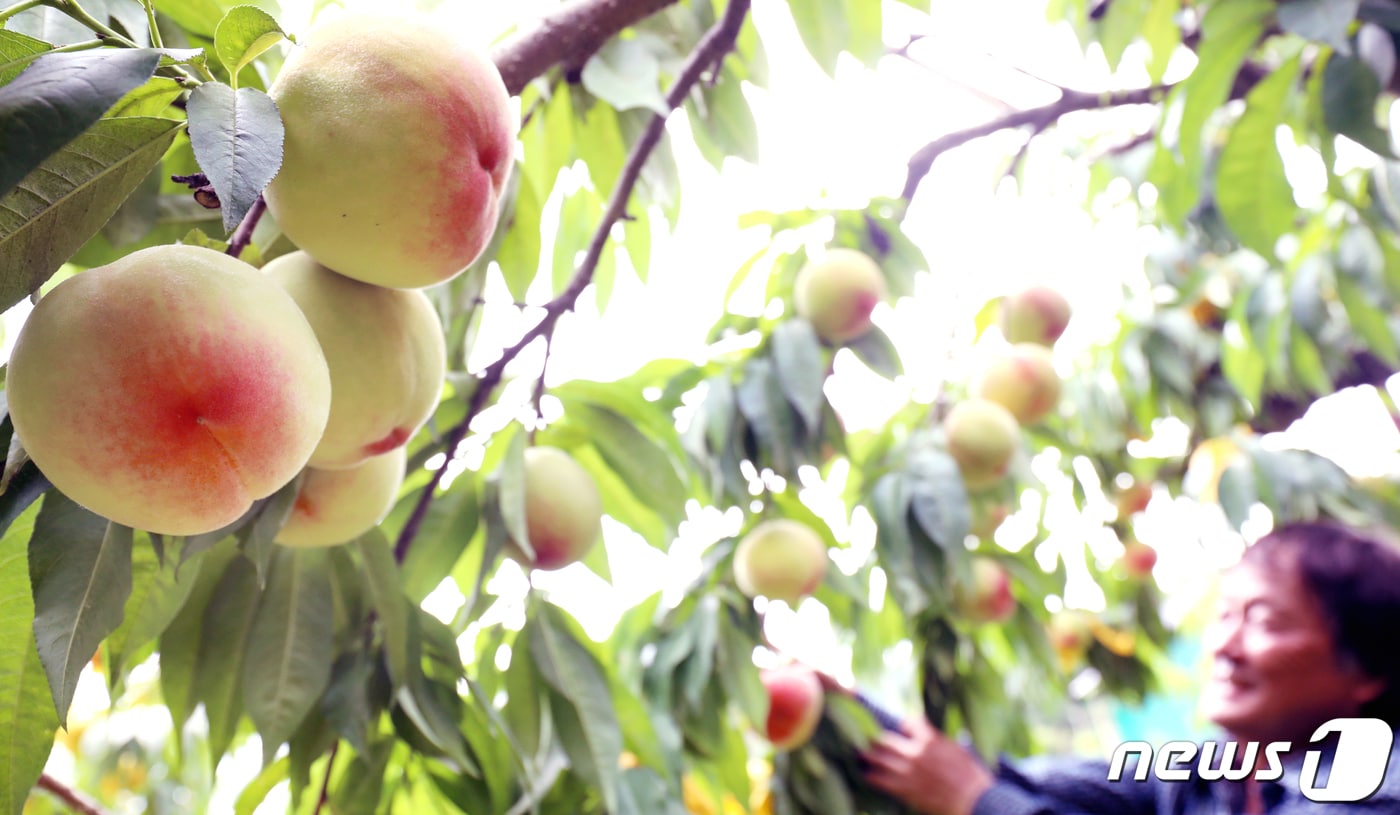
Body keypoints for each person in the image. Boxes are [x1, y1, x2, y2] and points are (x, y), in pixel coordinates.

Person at [856, 520, 1400, 814]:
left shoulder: (1376, 787)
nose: (1224, 645)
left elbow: (979, 790)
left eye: (1264, 621)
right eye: (1225, 615)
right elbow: (1021, 779)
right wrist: (835, 706)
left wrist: (978, 803)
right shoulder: (1209, 778)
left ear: (1368, 671)